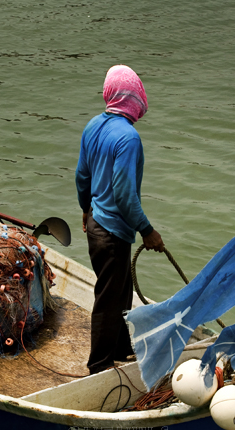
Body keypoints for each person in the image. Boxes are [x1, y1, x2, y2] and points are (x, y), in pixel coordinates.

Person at [75, 65, 165, 375]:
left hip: (97, 226)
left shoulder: (93, 126)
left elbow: (82, 175)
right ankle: (99, 364)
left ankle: (122, 348)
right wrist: (148, 231)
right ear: (133, 97)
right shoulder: (128, 138)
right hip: (113, 233)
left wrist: (85, 209)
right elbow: (125, 194)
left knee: (121, 290)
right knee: (109, 299)